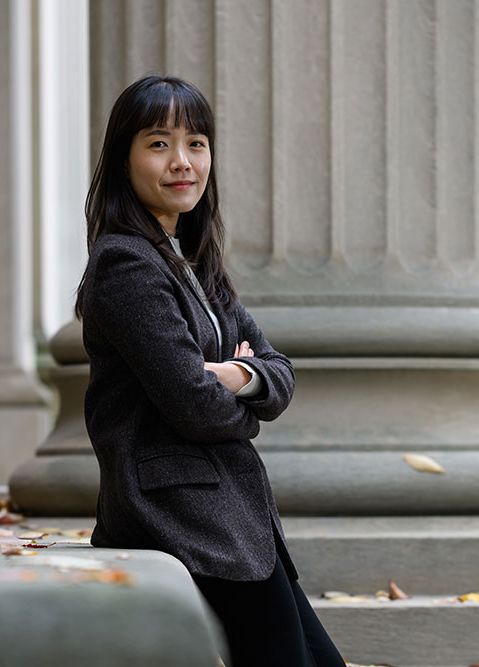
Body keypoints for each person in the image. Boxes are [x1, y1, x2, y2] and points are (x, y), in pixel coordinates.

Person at [75, 75, 346, 667]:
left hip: (229, 517)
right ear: (124, 159)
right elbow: (194, 406)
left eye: (196, 143)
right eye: (158, 143)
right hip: (179, 513)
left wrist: (239, 378)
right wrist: (234, 397)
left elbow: (280, 375)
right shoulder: (126, 264)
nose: (183, 162)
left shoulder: (195, 263)